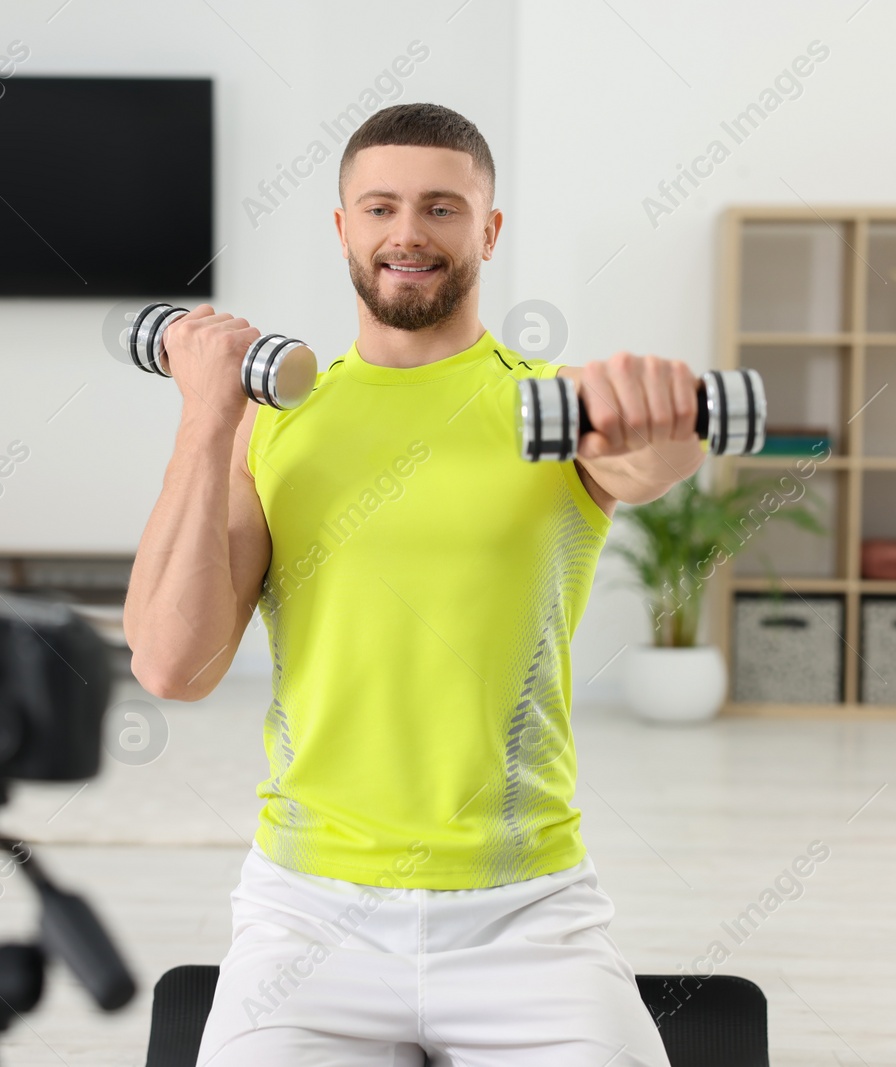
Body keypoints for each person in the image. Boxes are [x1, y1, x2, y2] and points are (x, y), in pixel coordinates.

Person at [124, 102, 704, 1066]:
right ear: (342, 226)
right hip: (308, 917)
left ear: (488, 229)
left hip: (530, 916)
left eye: (442, 208)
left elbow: (653, 460)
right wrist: (206, 414)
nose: (408, 232)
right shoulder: (268, 428)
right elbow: (172, 665)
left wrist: (660, 420)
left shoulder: (553, 409)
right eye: (381, 206)